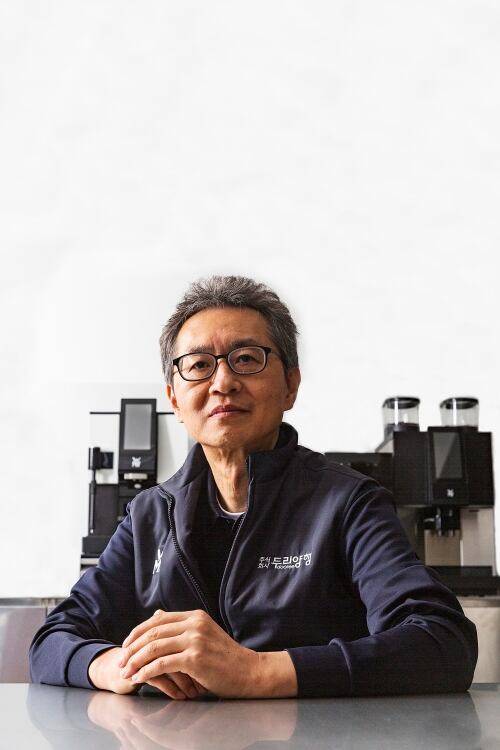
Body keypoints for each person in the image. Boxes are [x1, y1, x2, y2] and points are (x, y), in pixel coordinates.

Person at [29, 275, 478, 700]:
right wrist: (115, 666)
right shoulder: (149, 514)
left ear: (290, 386)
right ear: (175, 400)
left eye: (246, 359)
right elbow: (52, 639)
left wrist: (256, 671)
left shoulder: (347, 503)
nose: (222, 382)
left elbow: (442, 641)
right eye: (198, 365)